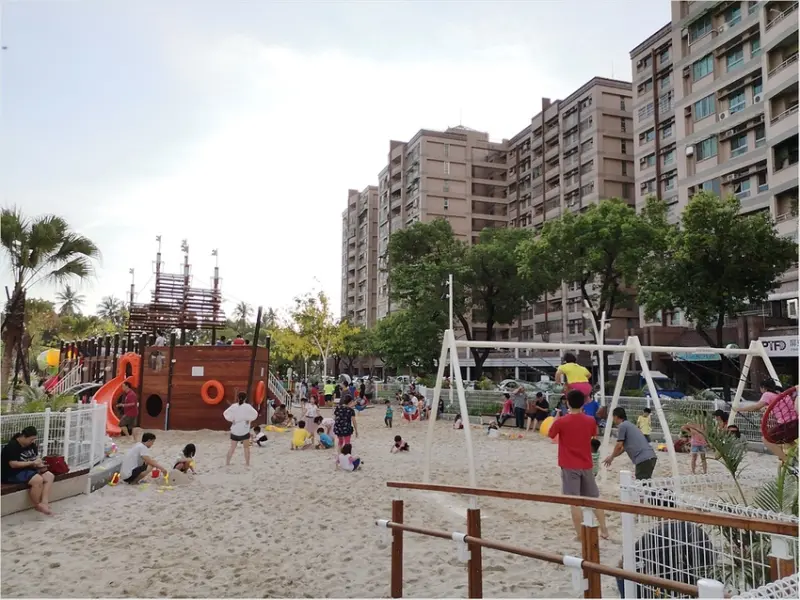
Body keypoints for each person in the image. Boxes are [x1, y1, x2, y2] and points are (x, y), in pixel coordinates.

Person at [547, 390, 609, 540]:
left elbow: (550, 434)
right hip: (586, 464)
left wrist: (557, 416)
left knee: (574, 502)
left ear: (568, 402)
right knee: (593, 499)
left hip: (569, 464)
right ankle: (605, 530)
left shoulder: (562, 421)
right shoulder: (590, 421)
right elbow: (593, 434)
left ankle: (581, 535)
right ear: (583, 403)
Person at [736, 379, 798, 465]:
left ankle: (787, 460)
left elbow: (756, 407)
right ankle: (795, 456)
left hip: (786, 425)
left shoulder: (767, 394)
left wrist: (739, 409)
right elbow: (776, 407)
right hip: (796, 423)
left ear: (763, 388)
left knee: (766, 439)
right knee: (788, 440)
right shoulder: (781, 394)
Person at [0, 426, 55, 515]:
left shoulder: (31, 445)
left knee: (49, 476)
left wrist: (40, 465)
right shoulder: (12, 446)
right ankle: (37, 505)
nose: (32, 441)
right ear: (23, 437)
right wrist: (32, 463)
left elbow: (35, 458)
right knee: (38, 480)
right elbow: (13, 464)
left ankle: (44, 502)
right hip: (12, 473)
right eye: (31, 439)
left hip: (29, 470)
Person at [603, 407, 658, 480]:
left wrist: (611, 457)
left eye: (613, 417)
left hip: (643, 459)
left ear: (616, 416)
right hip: (650, 457)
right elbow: (622, 449)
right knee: (646, 484)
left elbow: (619, 445)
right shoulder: (630, 425)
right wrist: (612, 457)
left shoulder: (622, 426)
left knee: (642, 487)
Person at [223, 392, 259, 466]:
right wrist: (249, 419)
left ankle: (227, 463)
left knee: (232, 448)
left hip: (235, 430)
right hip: (244, 430)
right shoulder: (248, 406)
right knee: (246, 448)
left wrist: (231, 419)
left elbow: (225, 413)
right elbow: (255, 414)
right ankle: (247, 464)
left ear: (238, 398)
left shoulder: (233, 406)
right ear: (245, 398)